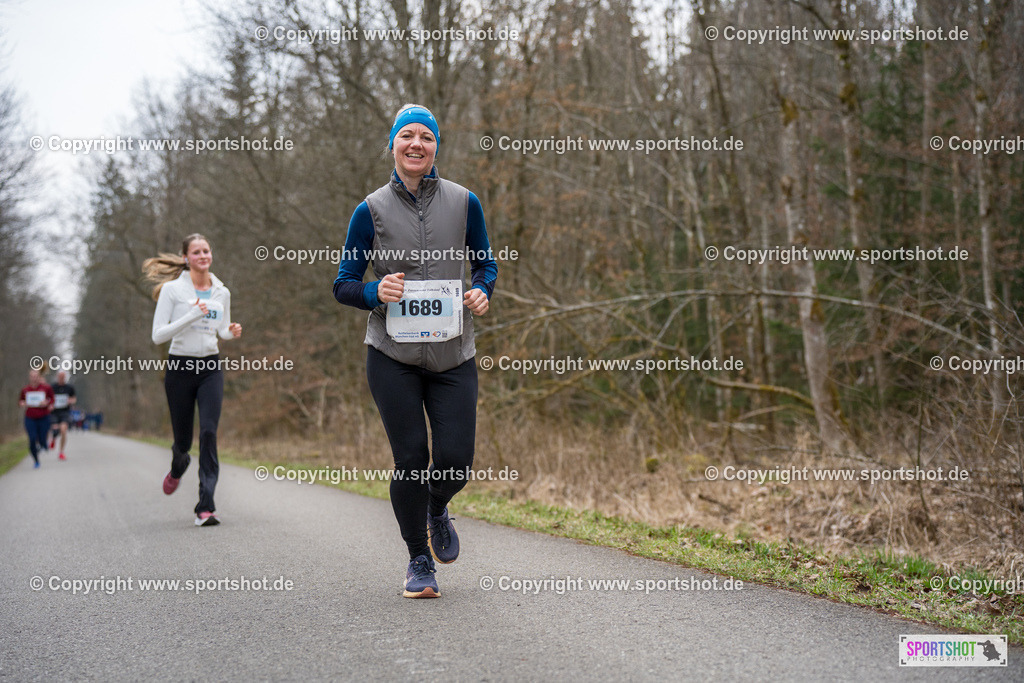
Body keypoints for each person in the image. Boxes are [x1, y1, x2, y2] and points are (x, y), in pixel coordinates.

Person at [333, 104, 497, 598]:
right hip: (392, 356)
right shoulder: (370, 210)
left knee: (455, 460)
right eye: (407, 135)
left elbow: (485, 263)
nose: (416, 144)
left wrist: (483, 290)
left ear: (436, 148)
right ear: (393, 145)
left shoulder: (465, 202)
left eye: (427, 136)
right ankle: (418, 560)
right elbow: (343, 283)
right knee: (410, 458)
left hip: (453, 354)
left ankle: (436, 504)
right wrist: (372, 292)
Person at [144, 234, 242, 527]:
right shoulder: (172, 291)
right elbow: (158, 335)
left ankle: (205, 507)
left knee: (209, 433)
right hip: (179, 369)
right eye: (196, 252)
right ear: (186, 257)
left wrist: (230, 332)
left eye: (206, 250)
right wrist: (190, 315)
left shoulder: (221, 292)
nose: (203, 255)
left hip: (210, 368)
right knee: (184, 441)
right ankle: (178, 466)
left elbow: (220, 330)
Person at [18, 368, 54, 468]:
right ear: (30, 377)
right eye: (32, 376)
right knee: (32, 439)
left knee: (42, 439)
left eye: (36, 376)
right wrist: (22, 403)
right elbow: (21, 401)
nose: (34, 378)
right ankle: (36, 460)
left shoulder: (46, 388)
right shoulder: (25, 390)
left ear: (39, 377)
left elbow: (52, 399)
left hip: (43, 417)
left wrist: (48, 403)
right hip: (30, 417)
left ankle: (44, 443)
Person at [48, 370, 76, 460]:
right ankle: (53, 438)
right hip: (54, 412)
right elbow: (47, 398)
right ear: (57, 377)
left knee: (63, 430)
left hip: (65, 412)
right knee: (55, 430)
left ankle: (61, 452)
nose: (61, 378)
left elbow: (74, 398)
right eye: (60, 377)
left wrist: (70, 401)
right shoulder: (52, 387)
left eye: (63, 377)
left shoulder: (69, 388)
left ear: (65, 377)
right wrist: (49, 404)